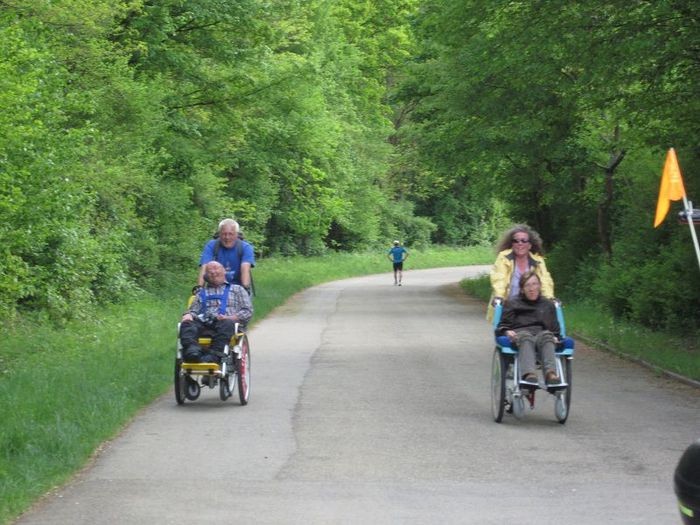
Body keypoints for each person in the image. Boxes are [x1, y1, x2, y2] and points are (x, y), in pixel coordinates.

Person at [495, 270, 561, 385]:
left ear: (539, 286)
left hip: (541, 334)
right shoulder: (512, 303)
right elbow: (503, 326)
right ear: (522, 289)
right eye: (527, 285)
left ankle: (551, 373)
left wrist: (555, 337)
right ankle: (529, 374)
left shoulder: (548, 305)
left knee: (547, 336)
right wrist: (507, 331)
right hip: (520, 334)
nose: (532, 289)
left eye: (535, 284)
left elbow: (555, 329)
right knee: (526, 337)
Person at [181, 261, 253, 363]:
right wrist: (188, 315)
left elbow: (247, 311)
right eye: (209, 270)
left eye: (216, 268)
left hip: (226, 324)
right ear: (205, 276)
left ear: (224, 271)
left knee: (227, 324)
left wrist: (230, 318)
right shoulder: (201, 293)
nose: (213, 272)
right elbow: (193, 311)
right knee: (186, 324)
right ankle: (192, 351)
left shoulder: (238, 289)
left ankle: (214, 356)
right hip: (204, 324)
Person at [487, 224, 554, 321]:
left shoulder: (538, 261)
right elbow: (499, 278)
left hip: (531, 307)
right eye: (516, 241)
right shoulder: (504, 257)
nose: (520, 243)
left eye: (524, 240)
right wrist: (499, 296)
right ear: (512, 244)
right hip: (509, 307)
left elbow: (545, 280)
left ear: (530, 245)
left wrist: (549, 297)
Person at [197, 218, 255, 293]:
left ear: (237, 234)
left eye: (231, 234)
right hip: (215, 287)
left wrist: (245, 289)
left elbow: (245, 269)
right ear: (219, 234)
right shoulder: (211, 245)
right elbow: (205, 267)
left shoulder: (246, 247)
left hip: (238, 288)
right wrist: (199, 288)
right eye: (224, 234)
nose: (227, 237)